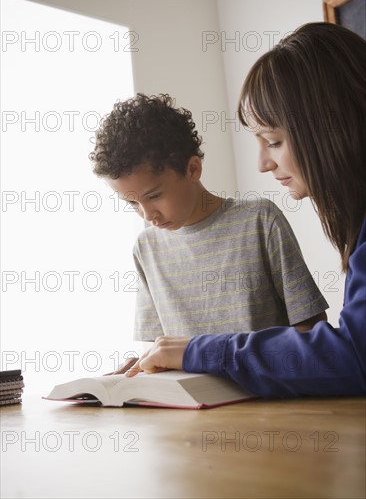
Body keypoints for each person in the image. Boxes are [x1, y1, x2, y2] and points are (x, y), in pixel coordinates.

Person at [124, 22, 366, 397]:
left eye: (274, 141)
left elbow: (351, 356)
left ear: (332, 125)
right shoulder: (146, 248)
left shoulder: (259, 220)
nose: (262, 164)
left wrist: (200, 351)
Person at [89, 93, 327, 351]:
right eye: (132, 203)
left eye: (154, 196)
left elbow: (311, 329)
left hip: (264, 388)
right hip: (187, 392)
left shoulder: (260, 221)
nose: (148, 216)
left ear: (193, 169)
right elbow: (158, 348)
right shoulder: (146, 248)